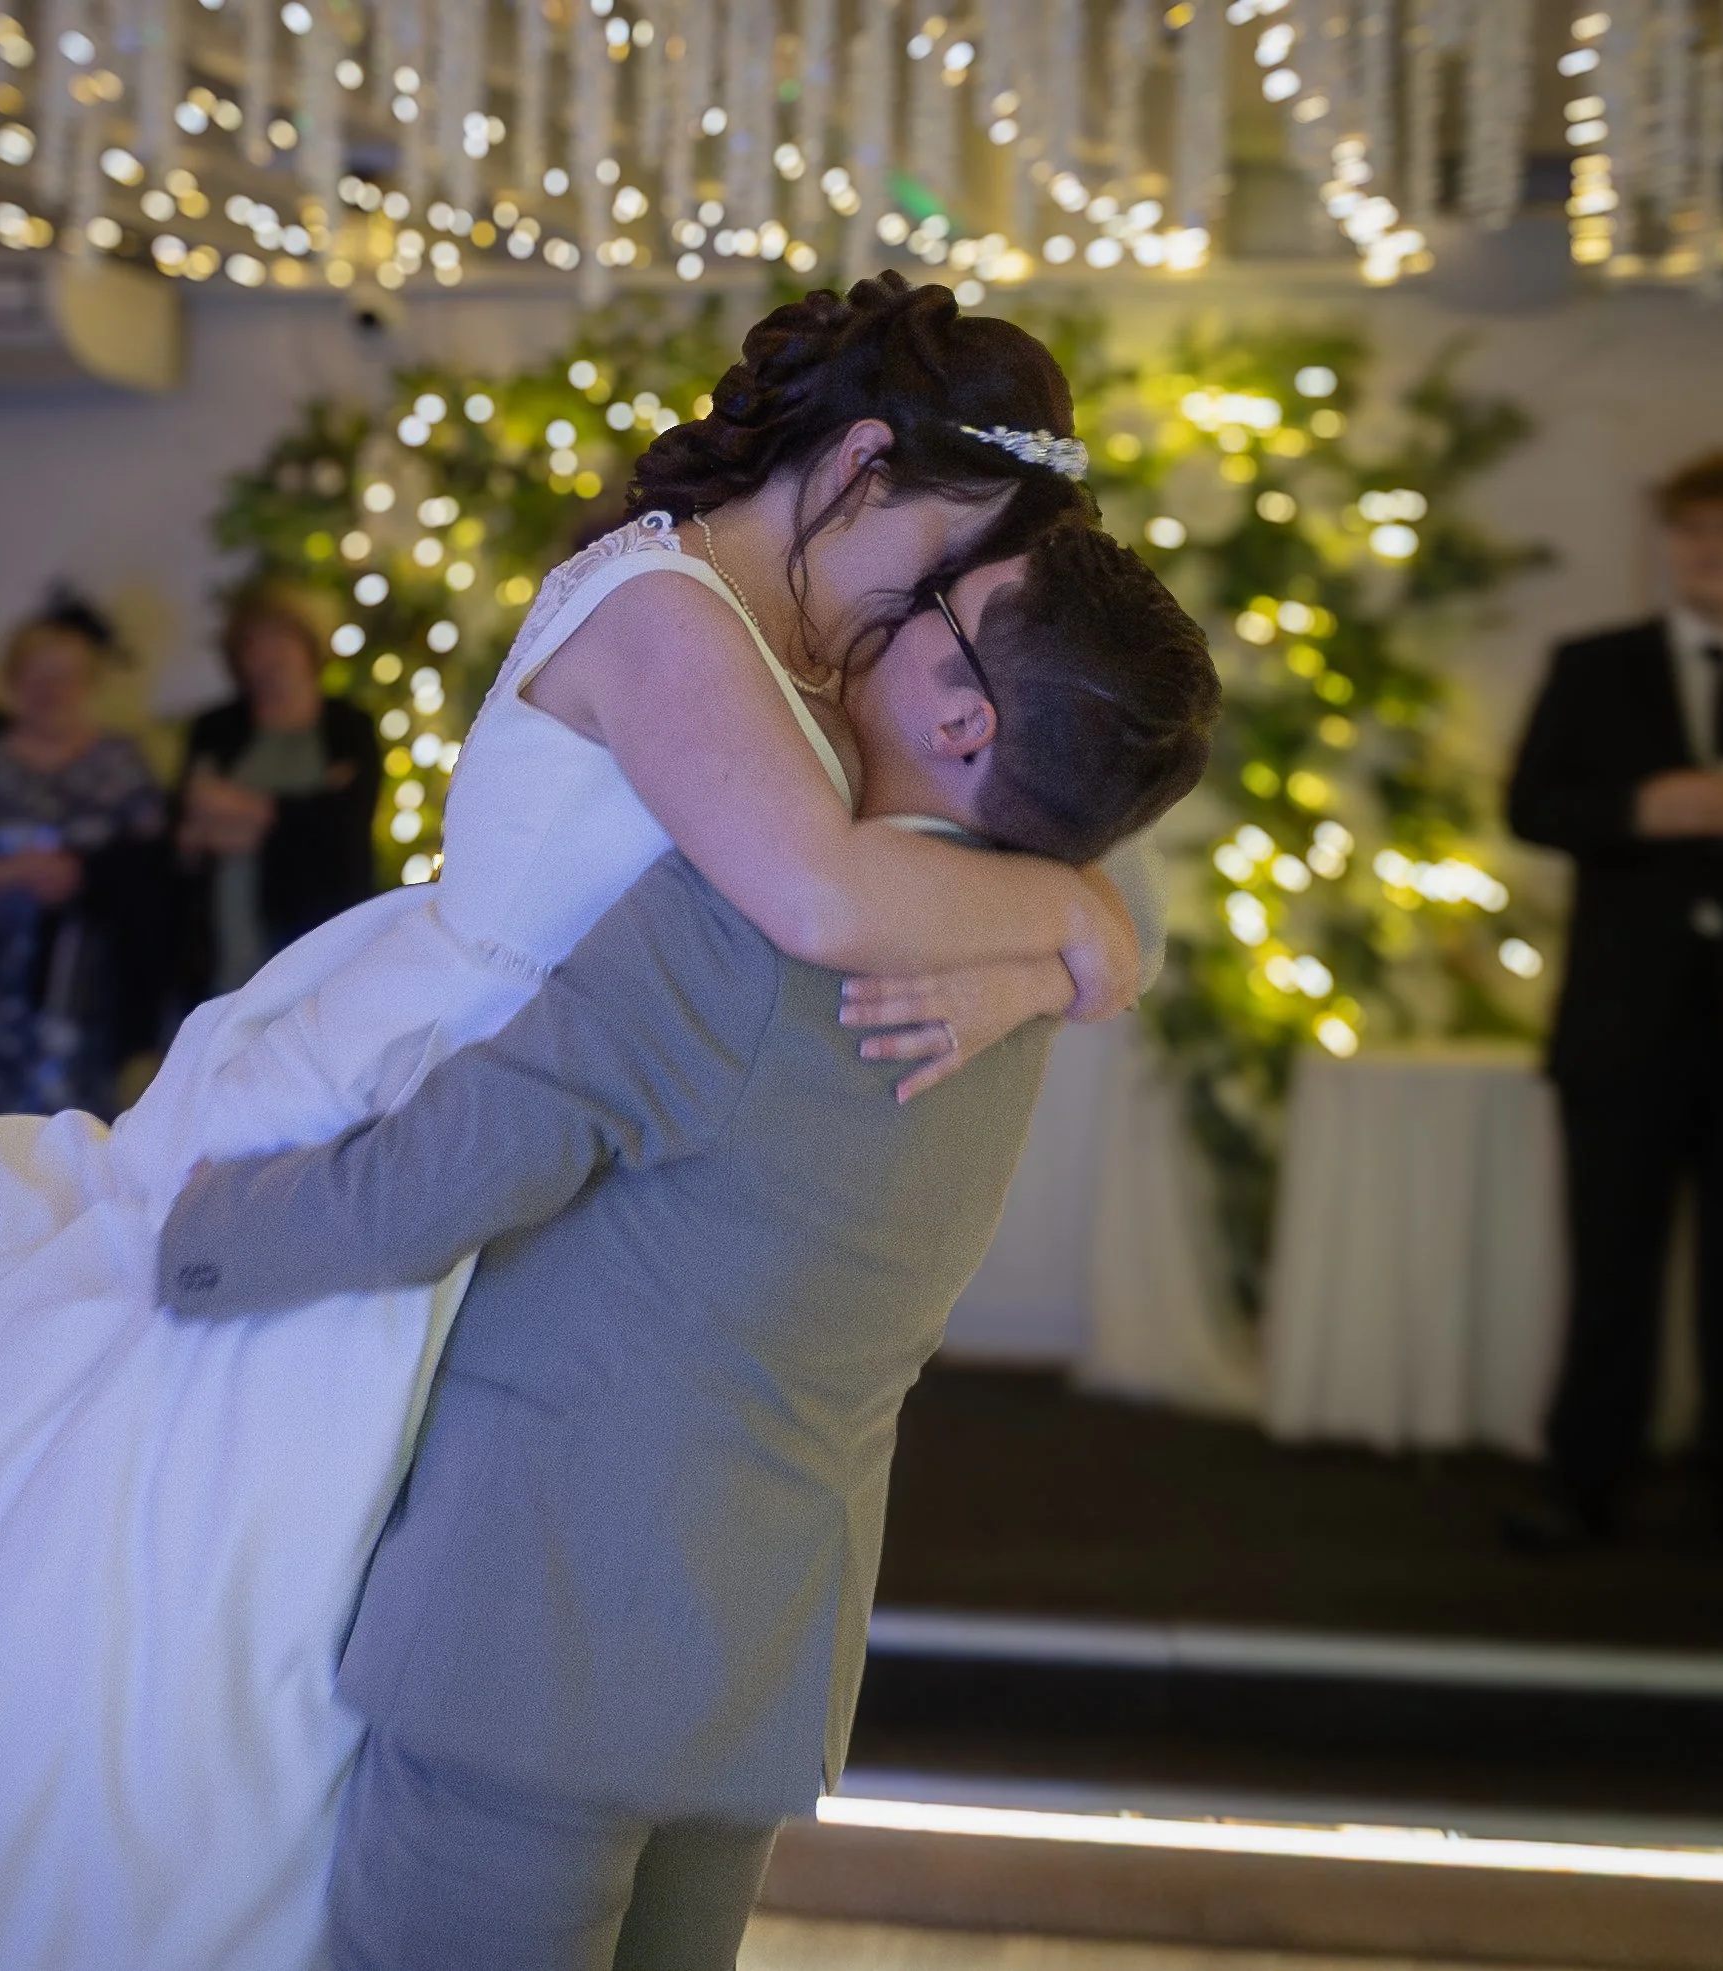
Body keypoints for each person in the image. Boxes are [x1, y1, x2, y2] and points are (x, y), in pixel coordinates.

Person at [0, 278, 1156, 1969]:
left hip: (533, 1128)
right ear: (865, 459)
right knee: (181, 1621)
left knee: (309, 1652)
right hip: (410, 1086)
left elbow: (898, 859)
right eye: (947, 555)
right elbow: (811, 892)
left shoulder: (800, 645)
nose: (926, 605)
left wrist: (1073, 938)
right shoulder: (668, 608)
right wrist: (1081, 935)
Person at [157, 522, 1220, 1968]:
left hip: (536, 1642)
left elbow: (448, 1165)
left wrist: (190, 1235)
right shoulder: (1022, 986)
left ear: (959, 714)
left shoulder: (750, 920)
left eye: (927, 608)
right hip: (754, 1670)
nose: (885, 614)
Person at [1507, 449, 1723, 1551]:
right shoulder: (1592, 664)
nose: (1709, 549)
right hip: (1623, 1025)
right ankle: (1583, 1485)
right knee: (1607, 1265)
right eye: (1692, 529)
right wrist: (1641, 808)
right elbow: (1530, 804)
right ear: (1666, 544)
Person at [0, 599, 165, 1119]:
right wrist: (18, 873)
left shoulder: (122, 761)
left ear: (88, 683)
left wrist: (85, 876)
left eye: (66, 677)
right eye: (37, 676)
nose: (51, 691)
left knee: (95, 1135)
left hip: (98, 989)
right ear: (12, 679)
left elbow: (158, 867)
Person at [180, 590, 380, 1000]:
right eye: (254, 645)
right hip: (223, 930)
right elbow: (188, 828)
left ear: (308, 647)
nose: (270, 657)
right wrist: (297, 815)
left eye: (281, 639)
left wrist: (241, 809)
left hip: (319, 924)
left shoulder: (348, 727)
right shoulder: (216, 728)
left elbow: (345, 825)